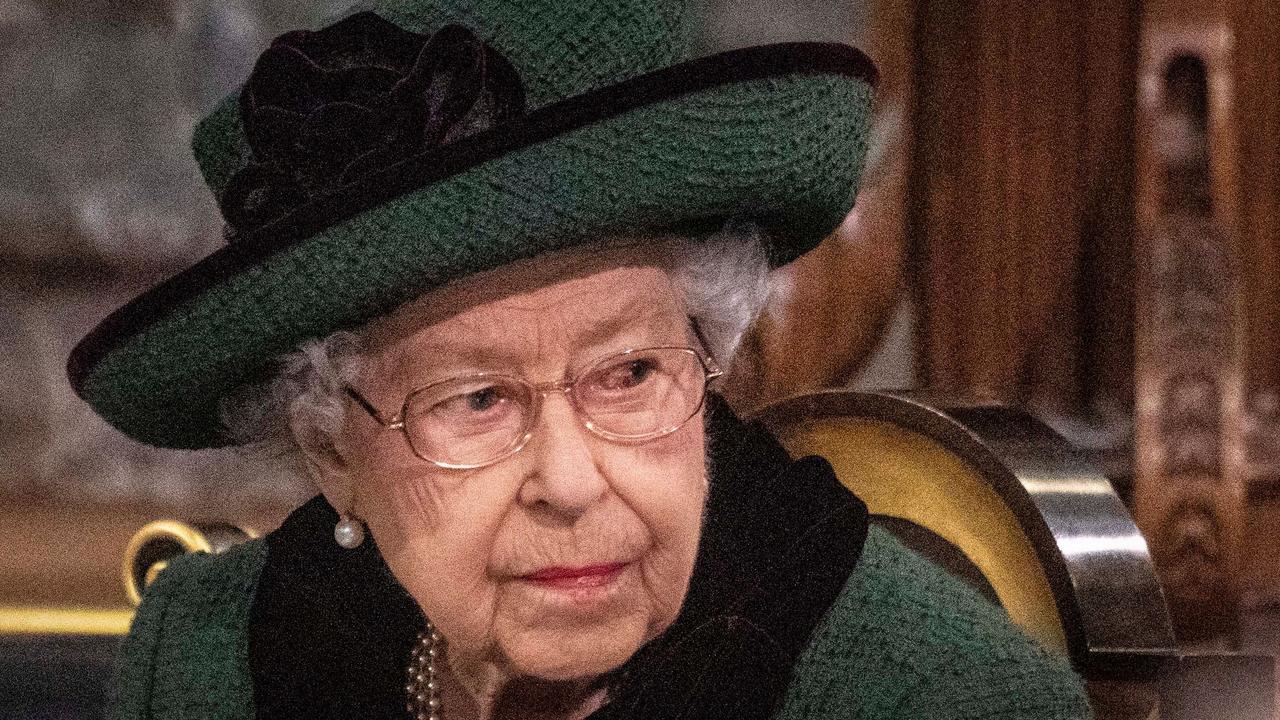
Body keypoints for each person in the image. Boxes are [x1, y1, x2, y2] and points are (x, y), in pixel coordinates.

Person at [68, 0, 1091, 718]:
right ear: (332, 452)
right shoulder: (216, 661)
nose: (567, 481)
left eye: (629, 375)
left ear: (705, 362)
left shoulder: (931, 697)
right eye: (475, 400)